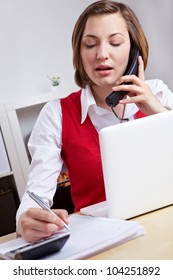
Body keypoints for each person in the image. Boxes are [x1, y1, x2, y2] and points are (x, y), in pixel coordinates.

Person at [16, 0, 173, 242]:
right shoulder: (56, 114)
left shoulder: (159, 95)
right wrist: (26, 218)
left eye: (115, 42)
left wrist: (156, 111)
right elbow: (35, 194)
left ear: (134, 50)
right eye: (90, 44)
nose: (101, 54)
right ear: (79, 53)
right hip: (99, 241)